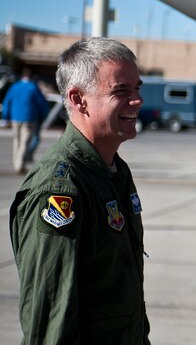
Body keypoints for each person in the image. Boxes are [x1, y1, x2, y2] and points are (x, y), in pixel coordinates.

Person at [9, 37, 150, 344]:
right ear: (78, 99)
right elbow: (50, 320)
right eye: (121, 91)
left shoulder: (113, 170)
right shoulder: (60, 190)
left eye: (137, 88)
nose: (137, 100)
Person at [2, 67, 49, 174]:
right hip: (29, 118)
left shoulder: (14, 86)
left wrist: (6, 117)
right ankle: (19, 165)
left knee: (16, 141)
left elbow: (7, 102)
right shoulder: (33, 87)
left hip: (15, 118)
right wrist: (44, 116)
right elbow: (42, 104)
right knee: (24, 142)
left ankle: (16, 163)